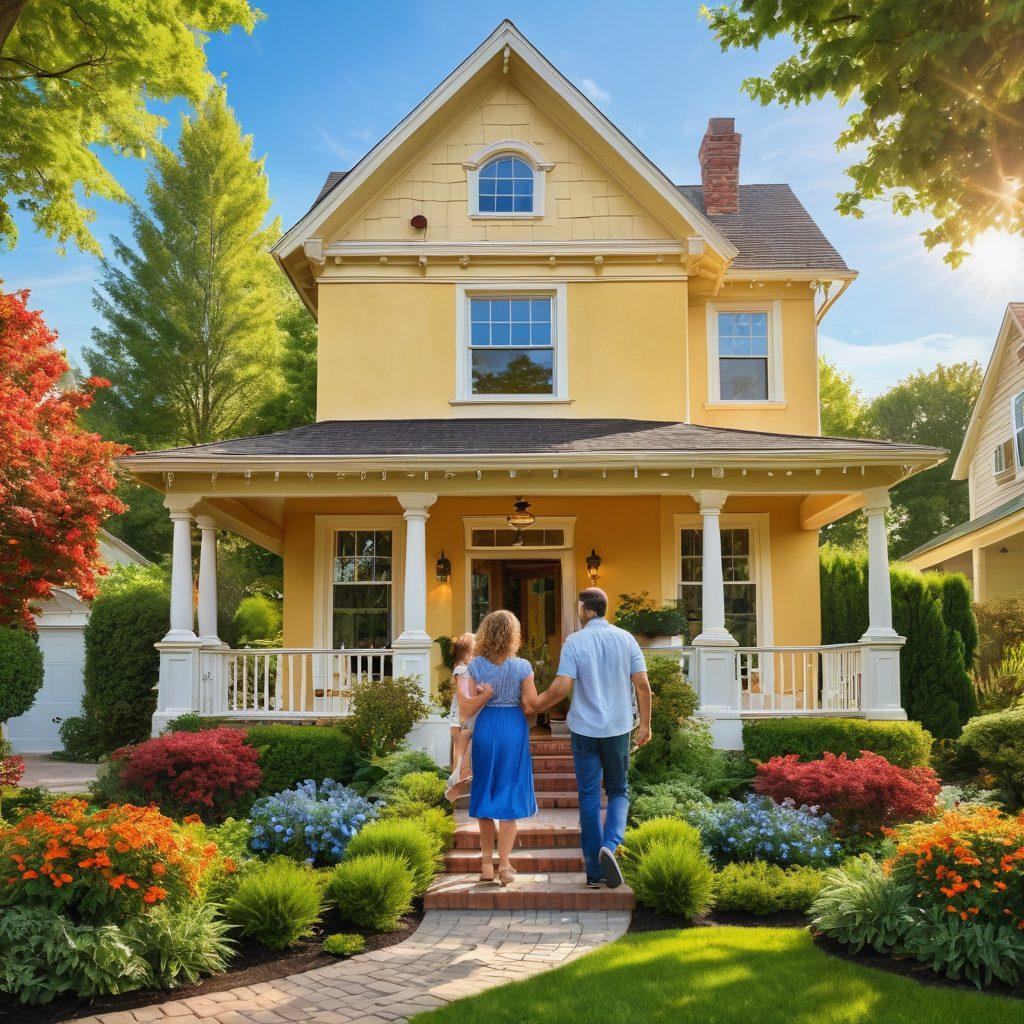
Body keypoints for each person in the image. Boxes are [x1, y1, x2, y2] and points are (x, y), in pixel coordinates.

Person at [531, 587, 652, 890]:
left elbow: (560, 689)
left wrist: (533, 706)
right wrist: (645, 725)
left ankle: (594, 872)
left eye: (578, 608)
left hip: (585, 729)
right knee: (618, 791)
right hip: (618, 728)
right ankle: (610, 845)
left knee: (588, 796)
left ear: (585, 609)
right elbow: (643, 685)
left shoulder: (575, 641)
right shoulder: (626, 640)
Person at [465, 609, 539, 886]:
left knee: (485, 790)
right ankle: (505, 866)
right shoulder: (522, 667)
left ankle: (486, 864)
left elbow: (468, 705)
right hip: (512, 728)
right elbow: (531, 704)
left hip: (486, 727)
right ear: (513, 635)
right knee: (508, 792)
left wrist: (487, 693)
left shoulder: (474, 667)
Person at [445, 632, 483, 802]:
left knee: (463, 745)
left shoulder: (463, 668)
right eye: (474, 654)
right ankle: (457, 779)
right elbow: (466, 692)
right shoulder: (461, 669)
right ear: (468, 654)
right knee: (462, 745)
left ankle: (460, 778)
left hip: (463, 713)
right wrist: (481, 690)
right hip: (461, 713)